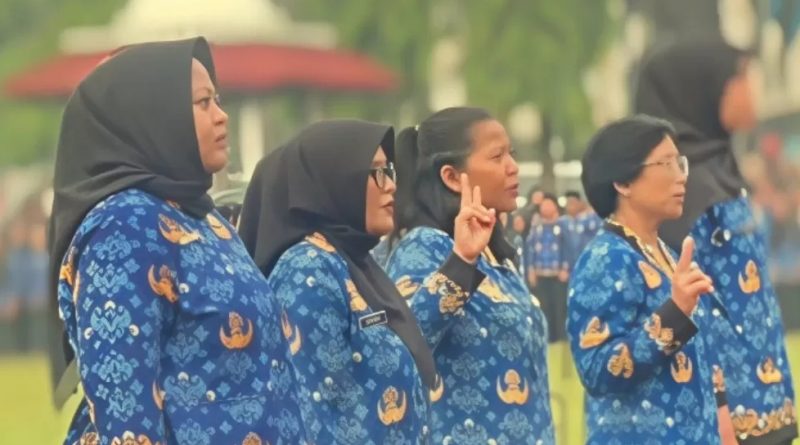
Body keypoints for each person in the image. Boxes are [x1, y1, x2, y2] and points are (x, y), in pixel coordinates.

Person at [50, 37, 302, 444]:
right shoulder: (125, 227)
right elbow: (124, 406)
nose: (222, 116)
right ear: (154, 116)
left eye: (218, 100)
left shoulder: (206, 219)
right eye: (203, 103)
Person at [635, 39, 797, 444]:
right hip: (724, 417)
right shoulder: (678, 189)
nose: (750, 90)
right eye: (737, 79)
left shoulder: (720, 167)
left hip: (764, 398)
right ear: (700, 92)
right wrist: (718, 405)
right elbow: (684, 305)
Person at [238, 120, 436, 444]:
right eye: (376, 172)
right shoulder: (308, 271)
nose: (390, 186)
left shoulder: (355, 263)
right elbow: (312, 415)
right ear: (334, 181)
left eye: (389, 170)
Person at [385, 107, 555, 445]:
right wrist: (461, 261)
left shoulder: (496, 255)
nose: (513, 167)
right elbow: (403, 346)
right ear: (451, 177)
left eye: (512, 153)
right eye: (497, 156)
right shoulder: (424, 247)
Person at [569, 114, 733, 444]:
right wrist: (674, 315)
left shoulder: (668, 256)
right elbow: (596, 369)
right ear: (623, 182)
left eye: (680, 164)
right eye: (666, 164)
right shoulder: (606, 258)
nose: (681, 177)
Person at [526, 193, 570, 342]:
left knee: (559, 308)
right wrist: (531, 269)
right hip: (540, 274)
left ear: (555, 206)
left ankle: (562, 339)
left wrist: (565, 268)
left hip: (558, 275)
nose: (546, 207)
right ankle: (547, 339)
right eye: (543, 205)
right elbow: (530, 248)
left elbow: (568, 247)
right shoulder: (536, 226)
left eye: (549, 204)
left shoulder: (562, 225)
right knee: (544, 308)